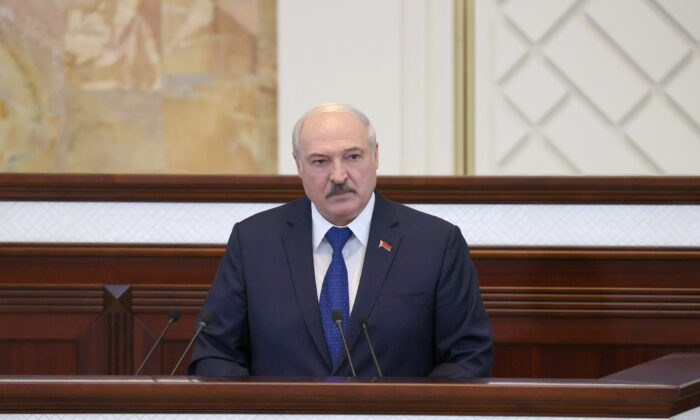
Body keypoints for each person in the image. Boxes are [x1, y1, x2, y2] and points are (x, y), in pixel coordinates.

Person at [188, 103, 492, 377]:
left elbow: (467, 358)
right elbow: (215, 352)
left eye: (353, 157)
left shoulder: (435, 243)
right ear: (299, 166)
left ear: (375, 156)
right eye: (320, 161)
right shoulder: (254, 241)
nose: (338, 175)